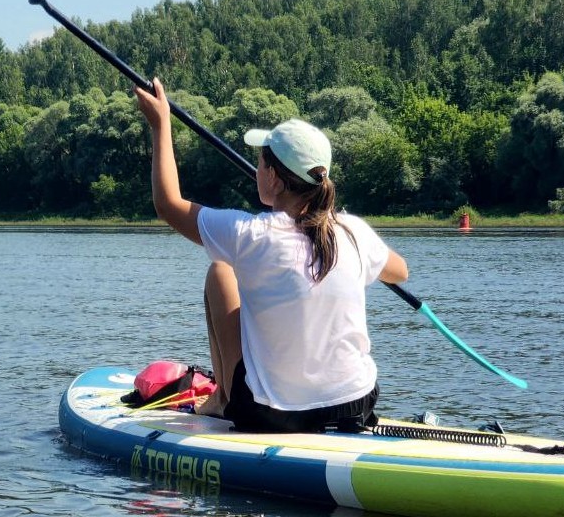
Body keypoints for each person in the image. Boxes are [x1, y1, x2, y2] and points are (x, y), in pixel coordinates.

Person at [134, 78, 409, 433]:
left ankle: (222, 399)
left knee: (221, 271)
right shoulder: (354, 231)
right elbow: (400, 272)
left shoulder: (249, 234)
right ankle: (236, 397)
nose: (257, 169)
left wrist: (161, 124)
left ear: (275, 180)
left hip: (274, 416)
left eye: (261, 162)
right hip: (356, 405)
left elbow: (168, 204)